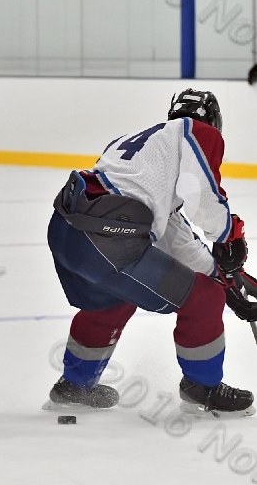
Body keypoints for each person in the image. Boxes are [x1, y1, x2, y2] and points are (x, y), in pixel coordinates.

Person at [46, 88, 255, 416]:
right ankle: (203, 387)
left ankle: (75, 386)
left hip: (66, 232)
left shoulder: (144, 152)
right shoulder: (197, 133)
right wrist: (231, 236)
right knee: (204, 298)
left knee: (114, 297)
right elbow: (204, 197)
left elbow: (174, 237)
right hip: (109, 237)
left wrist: (228, 278)